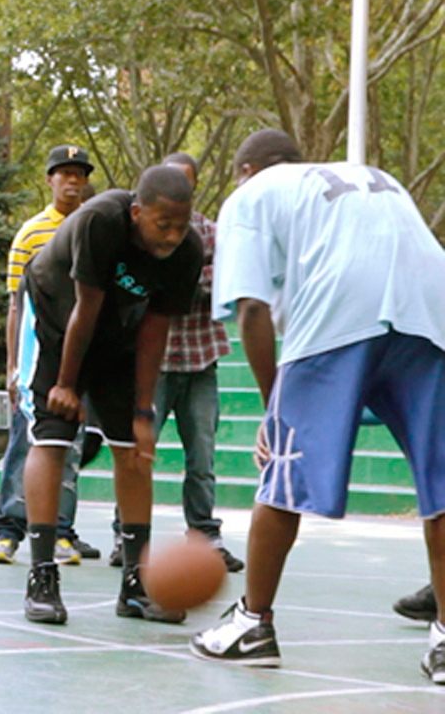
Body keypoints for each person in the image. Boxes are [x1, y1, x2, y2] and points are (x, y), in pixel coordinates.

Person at [188, 130, 445, 683]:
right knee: (443, 482)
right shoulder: (371, 178)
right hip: (433, 307)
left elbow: (252, 309)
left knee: (283, 471)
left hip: (341, 309)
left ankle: (252, 623)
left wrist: (271, 408)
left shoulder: (250, 194)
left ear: (245, 169)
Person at [18, 165, 202, 625]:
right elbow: (85, 306)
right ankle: (42, 574)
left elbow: (156, 329)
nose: (173, 236)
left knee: (135, 452)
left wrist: (144, 411)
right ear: (137, 212)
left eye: (182, 226)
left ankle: (136, 585)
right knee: (54, 439)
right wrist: (65, 384)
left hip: (117, 333)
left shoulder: (187, 251)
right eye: (163, 225)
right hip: (55, 320)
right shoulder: (101, 220)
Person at [106, 153, 244, 573]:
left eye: (184, 182)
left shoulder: (210, 232)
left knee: (202, 457)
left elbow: (226, 281)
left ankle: (205, 533)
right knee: (136, 453)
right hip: (156, 364)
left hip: (201, 359)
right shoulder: (136, 230)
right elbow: (144, 286)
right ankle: (123, 534)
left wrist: (183, 277)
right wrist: (183, 276)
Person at [0, 145, 99, 567]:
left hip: (83, 358)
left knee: (69, 449)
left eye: (79, 174)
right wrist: (13, 366)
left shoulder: (94, 229)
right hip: (39, 356)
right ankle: (8, 530)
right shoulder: (31, 234)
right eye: (63, 173)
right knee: (25, 444)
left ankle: (61, 531)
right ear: (49, 180)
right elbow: (15, 305)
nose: (72, 181)